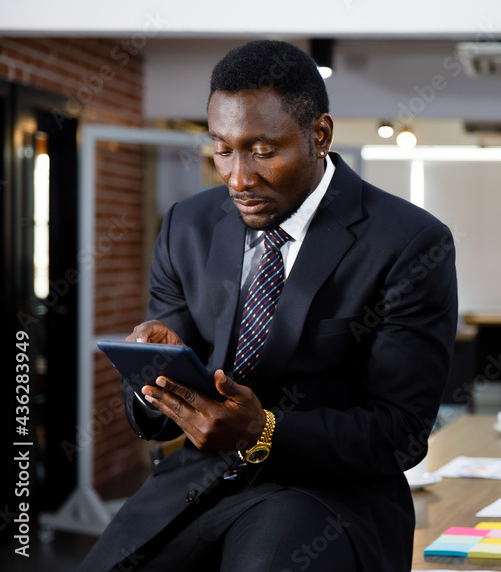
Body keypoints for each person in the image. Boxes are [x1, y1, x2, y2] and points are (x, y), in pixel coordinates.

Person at [79, 40, 458, 572]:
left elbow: (400, 433)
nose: (236, 177)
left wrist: (265, 431)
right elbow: (160, 403)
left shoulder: (408, 241)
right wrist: (155, 379)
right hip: (195, 484)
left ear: (319, 135)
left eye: (261, 150)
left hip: (329, 497)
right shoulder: (186, 226)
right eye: (222, 148)